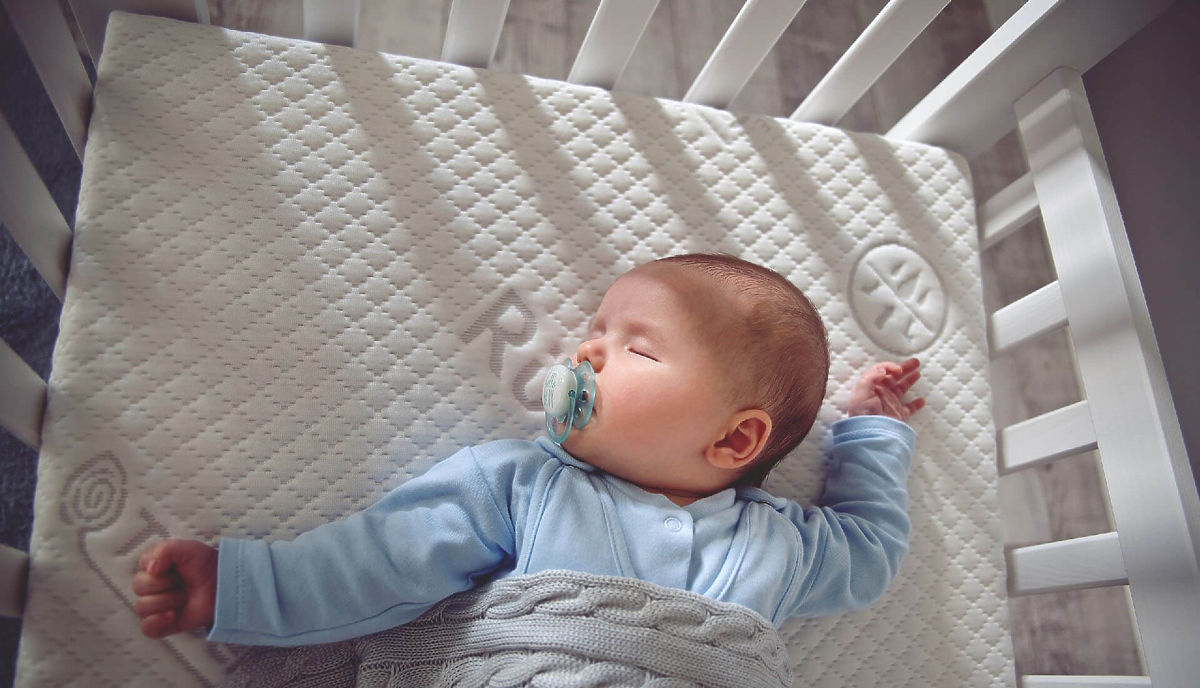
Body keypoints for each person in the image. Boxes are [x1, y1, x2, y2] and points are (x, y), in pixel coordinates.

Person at [132, 253, 924, 646]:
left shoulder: (780, 547)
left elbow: (873, 548)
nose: (586, 353)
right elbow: (381, 561)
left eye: (636, 348)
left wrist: (869, 430)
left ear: (735, 438)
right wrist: (241, 588)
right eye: (593, 333)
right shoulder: (521, 486)